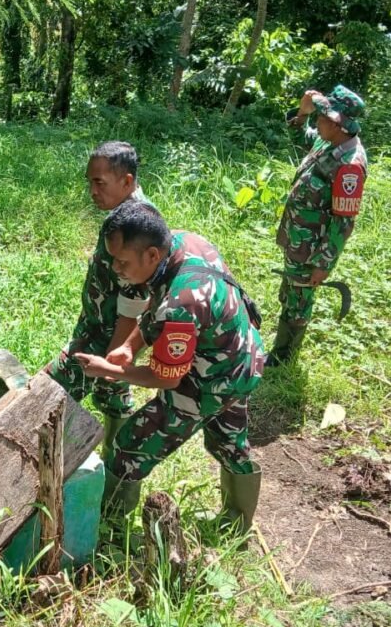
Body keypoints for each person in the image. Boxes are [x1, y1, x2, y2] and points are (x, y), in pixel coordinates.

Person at [74, 201, 266, 534]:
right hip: (243, 356)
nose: (116, 269)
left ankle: (107, 531)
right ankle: (237, 524)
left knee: (129, 448)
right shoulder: (183, 243)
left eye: (122, 262)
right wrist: (128, 346)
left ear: (150, 255)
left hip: (215, 378)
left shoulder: (181, 306)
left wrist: (109, 369)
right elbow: (155, 309)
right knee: (229, 443)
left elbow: (166, 377)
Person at [44, 141, 153, 462]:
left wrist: (114, 358)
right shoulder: (125, 214)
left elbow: (136, 299)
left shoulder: (134, 222)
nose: (92, 191)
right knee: (114, 397)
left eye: (99, 183)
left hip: (104, 337)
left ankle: (41, 465)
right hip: (99, 328)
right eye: (90, 182)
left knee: (48, 394)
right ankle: (115, 478)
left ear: (127, 181)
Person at [270, 84, 368, 365]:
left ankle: (283, 359)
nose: (319, 120)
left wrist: (323, 264)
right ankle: (281, 347)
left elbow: (343, 222)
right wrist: (302, 113)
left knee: (299, 303)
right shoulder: (328, 141)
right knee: (290, 293)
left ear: (339, 125)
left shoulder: (349, 165)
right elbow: (298, 135)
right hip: (297, 236)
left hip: (312, 248)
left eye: (323, 117)